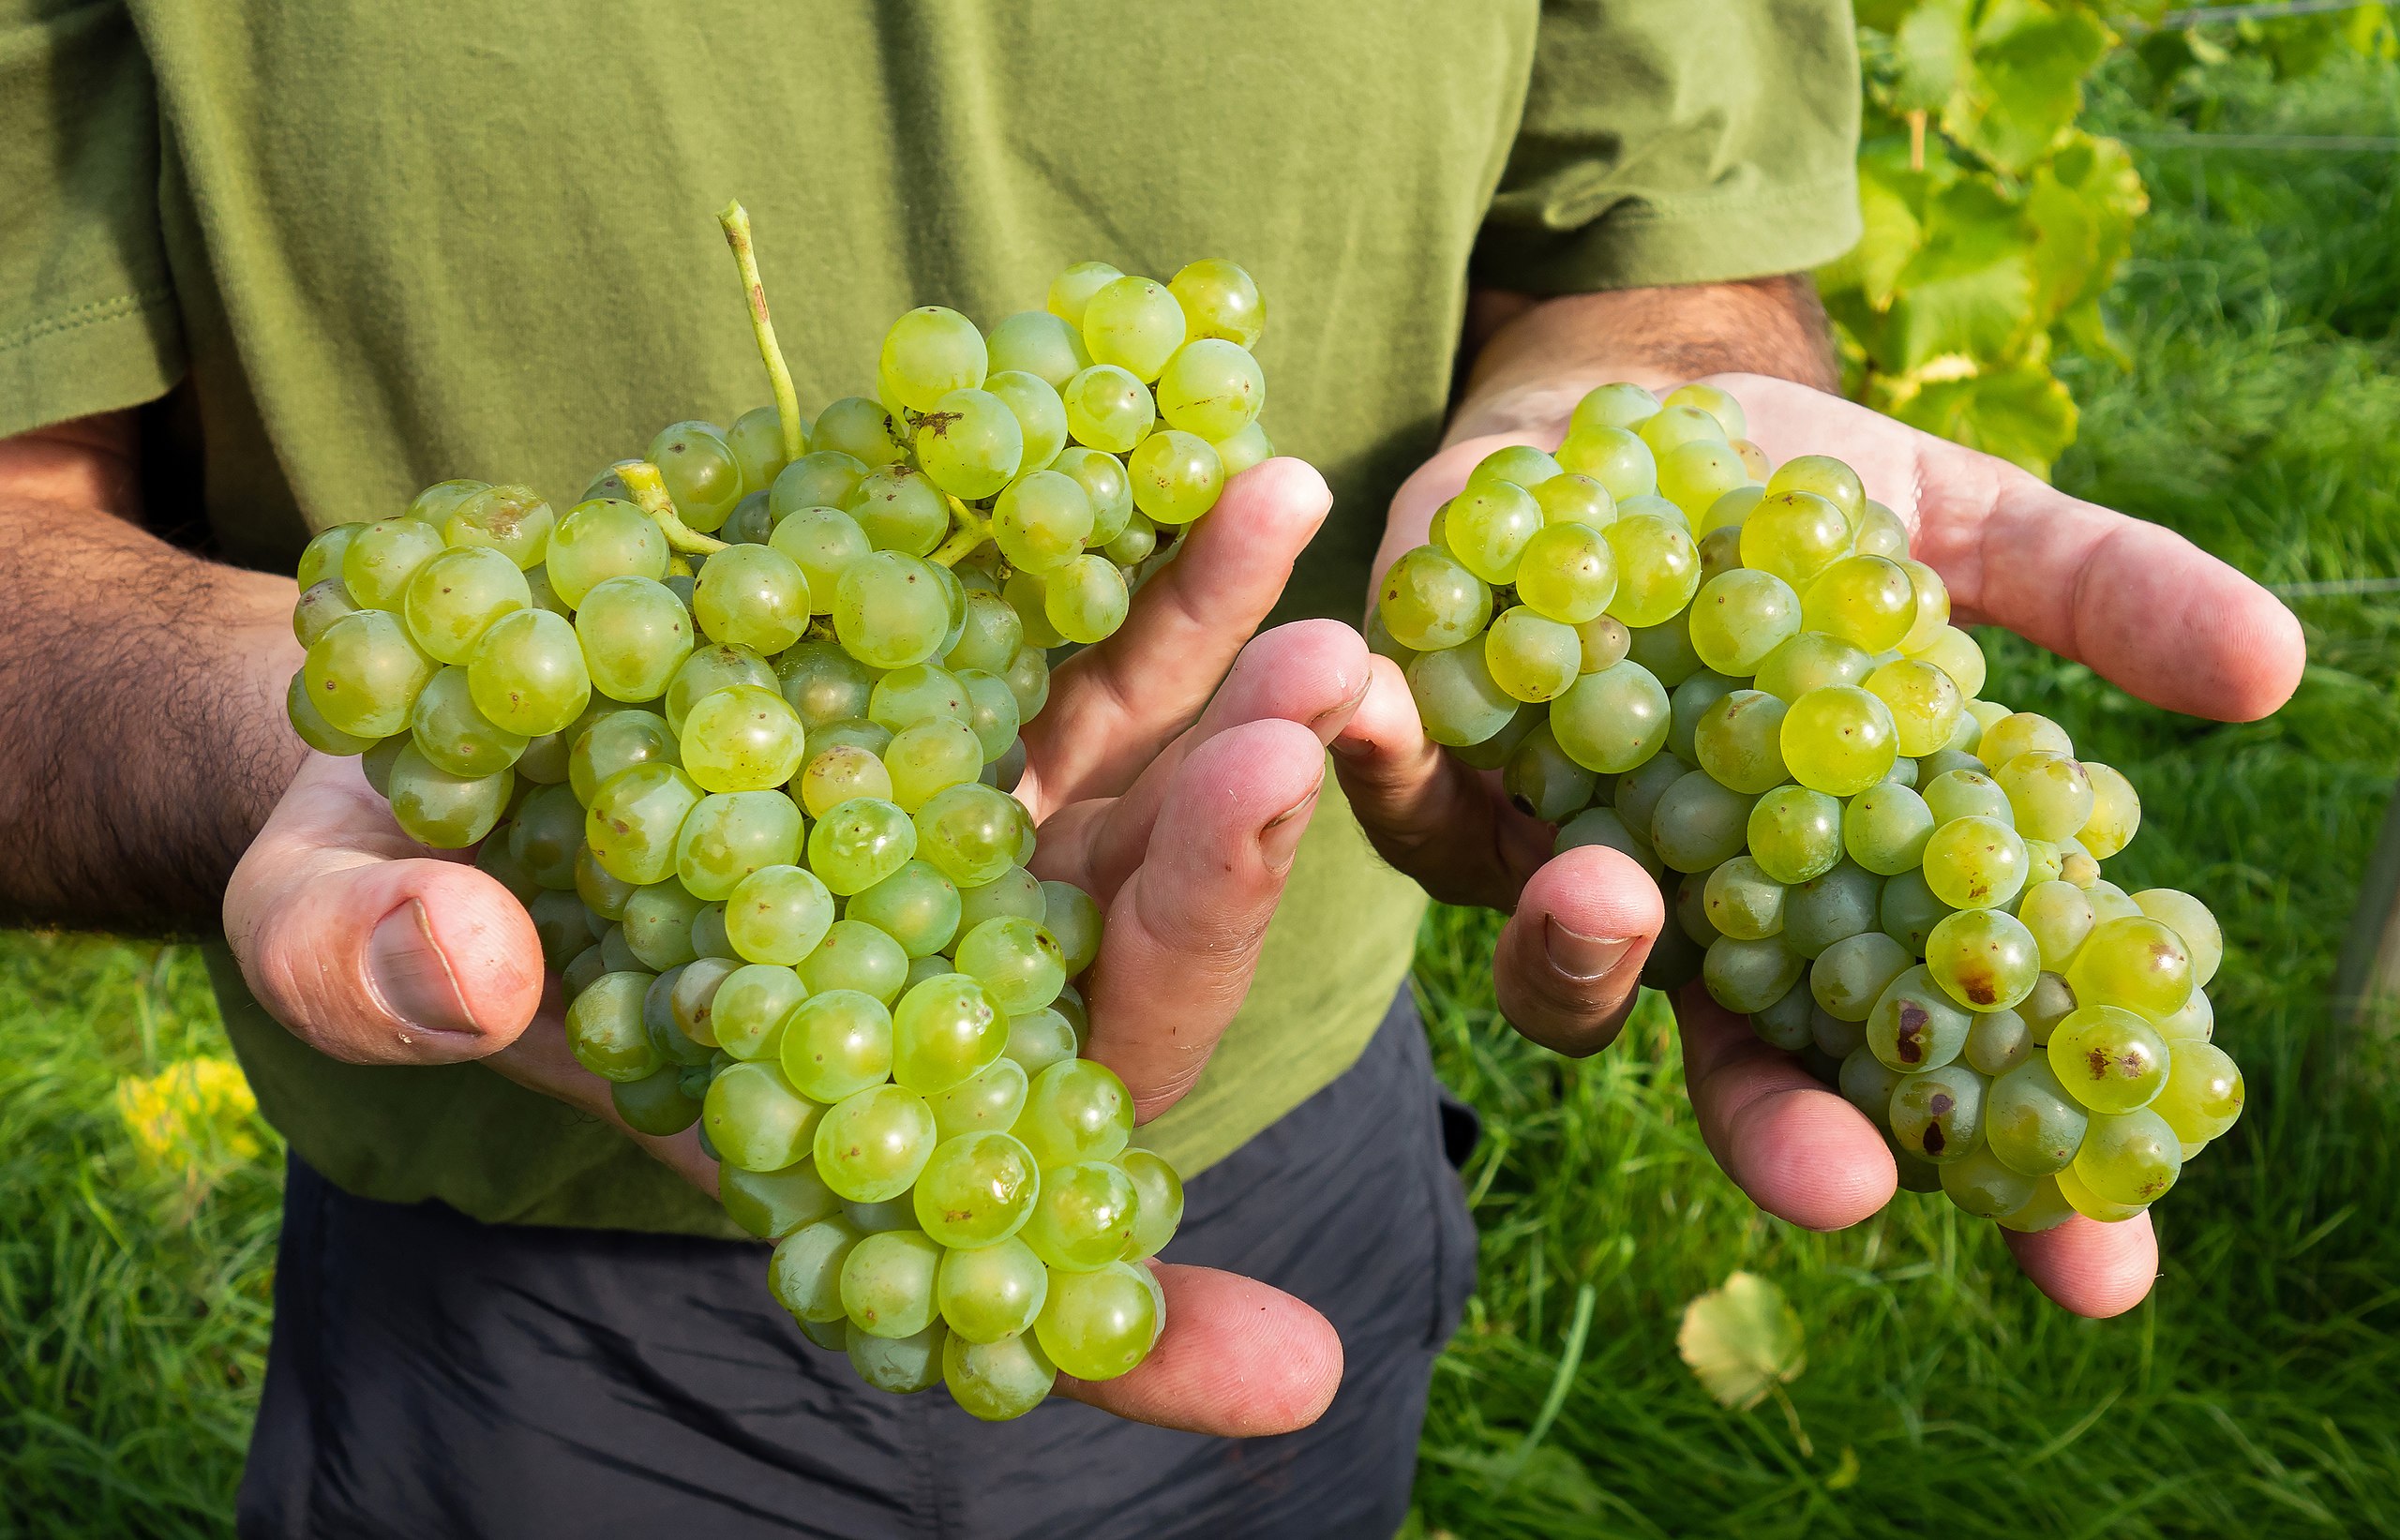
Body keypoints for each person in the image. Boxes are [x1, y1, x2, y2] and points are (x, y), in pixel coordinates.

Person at [0, 3, 2302, 1536]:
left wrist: (1621, 448)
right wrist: (298, 710)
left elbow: (1656, 264)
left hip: (1288, 1130)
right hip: (502, 1285)